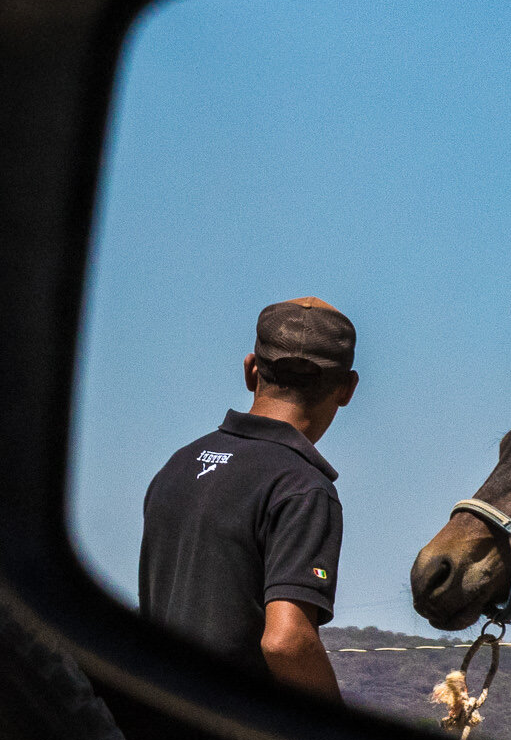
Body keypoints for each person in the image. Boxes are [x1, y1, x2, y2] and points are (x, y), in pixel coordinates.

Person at [139, 297, 359, 699]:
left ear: (251, 370)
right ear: (346, 389)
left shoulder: (178, 465)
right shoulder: (302, 488)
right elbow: (285, 641)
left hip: (156, 729)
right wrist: (337, 738)